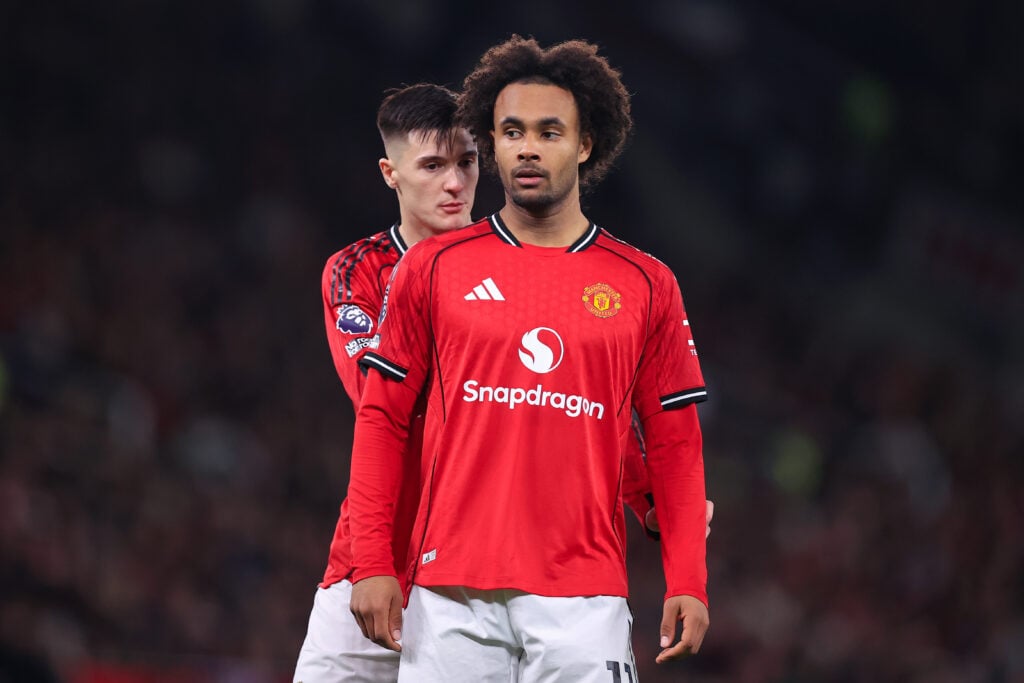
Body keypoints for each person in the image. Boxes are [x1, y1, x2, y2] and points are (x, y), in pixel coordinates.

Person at [293, 82, 695, 682]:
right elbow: (389, 406)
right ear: (391, 173)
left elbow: (582, 405)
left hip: (478, 571)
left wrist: (649, 495)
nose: (454, 183)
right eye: (432, 166)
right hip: (374, 557)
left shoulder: (516, 263)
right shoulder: (360, 270)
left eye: (466, 162)